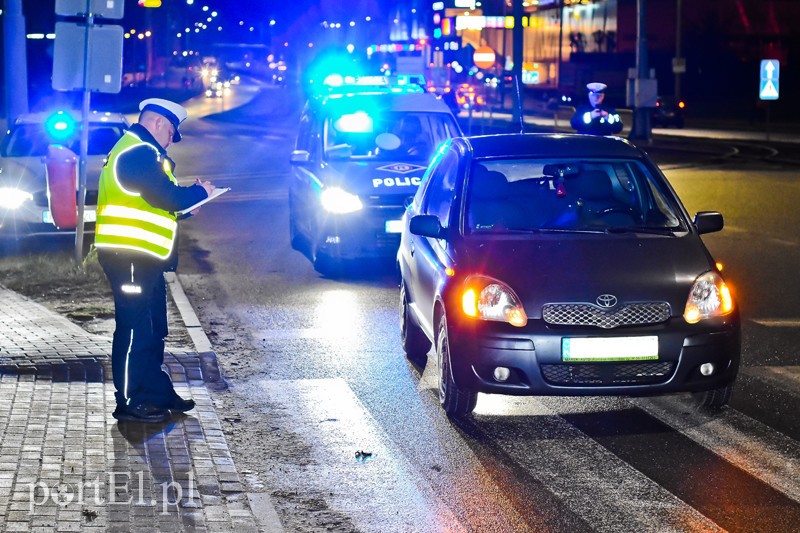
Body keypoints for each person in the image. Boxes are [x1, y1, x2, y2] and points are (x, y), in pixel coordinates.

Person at [95, 98, 215, 423]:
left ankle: (155, 393)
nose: (170, 141)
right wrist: (199, 192)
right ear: (159, 123)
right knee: (134, 330)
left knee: (152, 329)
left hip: (143, 256)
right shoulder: (138, 152)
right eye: (171, 133)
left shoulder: (142, 152)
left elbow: (156, 205)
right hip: (129, 255)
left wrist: (185, 207)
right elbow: (167, 196)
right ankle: (130, 401)